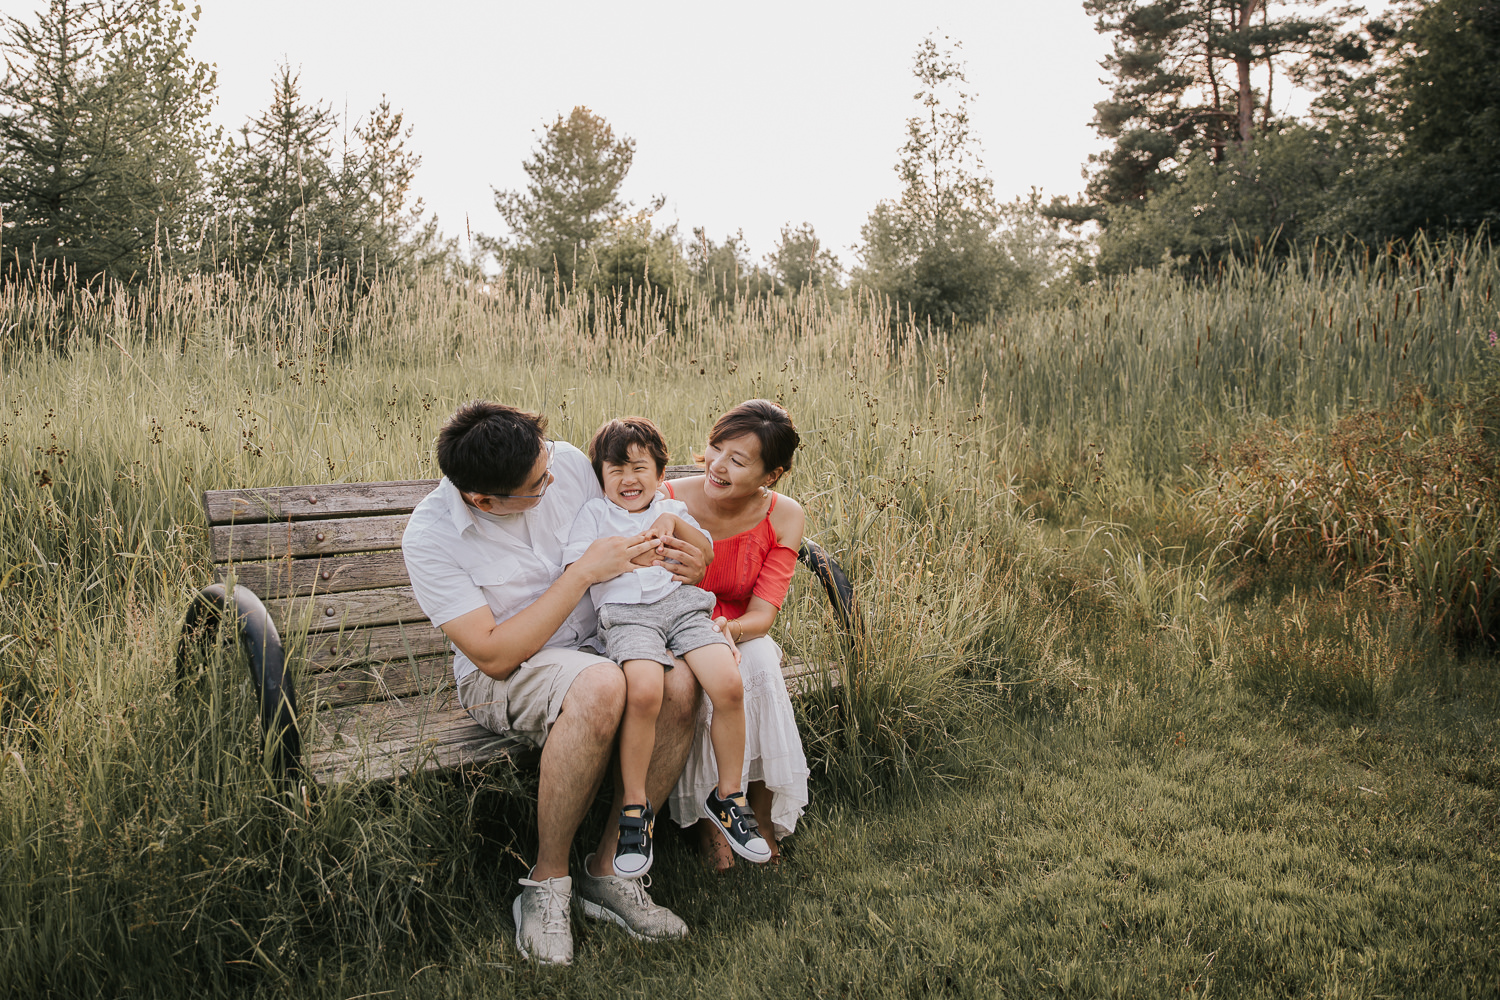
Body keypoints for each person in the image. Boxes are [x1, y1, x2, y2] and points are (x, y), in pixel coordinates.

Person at [400, 401, 707, 966]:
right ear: (482, 499)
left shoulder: (561, 461)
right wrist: (584, 573)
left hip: (606, 638)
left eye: (548, 466)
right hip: (514, 670)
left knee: (681, 685)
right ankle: (547, 884)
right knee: (599, 687)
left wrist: (692, 553)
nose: (556, 477)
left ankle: (611, 870)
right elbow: (493, 654)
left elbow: (640, 510)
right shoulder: (431, 537)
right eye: (538, 484)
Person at [562, 417, 773, 879]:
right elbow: (582, 565)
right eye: (614, 469)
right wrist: (645, 547)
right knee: (644, 691)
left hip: (682, 608)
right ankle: (635, 807)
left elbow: (705, 551)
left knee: (728, 684)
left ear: (661, 474)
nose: (627, 478)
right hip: (628, 616)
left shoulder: (670, 507)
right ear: (600, 477)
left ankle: (729, 795)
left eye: (639, 467)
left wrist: (673, 522)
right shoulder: (595, 514)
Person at [663, 399, 811, 868]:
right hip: (674, 625)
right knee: (710, 675)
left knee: (762, 661)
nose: (717, 465)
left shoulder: (783, 516)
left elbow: (763, 613)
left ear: (772, 475)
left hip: (739, 627)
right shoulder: (668, 500)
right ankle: (710, 823)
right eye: (715, 447)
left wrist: (729, 629)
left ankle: (760, 816)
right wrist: (703, 632)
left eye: (738, 460)